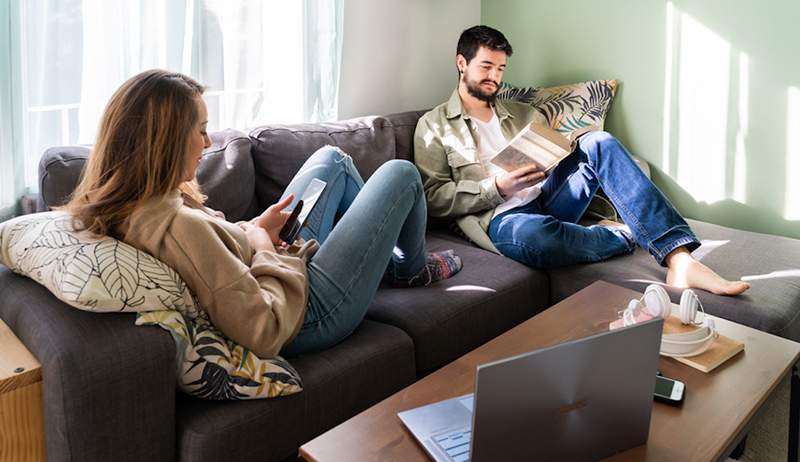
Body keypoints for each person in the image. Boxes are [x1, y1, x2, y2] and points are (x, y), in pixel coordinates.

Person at [65, 69, 462, 358]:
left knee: (333, 160)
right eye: (200, 130)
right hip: (304, 313)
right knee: (401, 174)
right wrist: (264, 247)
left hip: (276, 266)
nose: (207, 142)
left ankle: (380, 262)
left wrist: (253, 228)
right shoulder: (176, 226)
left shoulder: (141, 199)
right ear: (163, 141)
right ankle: (409, 269)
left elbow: (216, 254)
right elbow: (264, 330)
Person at [413, 25, 749, 296]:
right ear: (461, 63)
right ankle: (625, 236)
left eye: (500, 68)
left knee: (598, 141)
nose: (495, 77)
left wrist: (553, 159)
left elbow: (556, 153)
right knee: (535, 239)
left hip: (549, 196)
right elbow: (433, 199)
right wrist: (497, 187)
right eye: (486, 66)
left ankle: (680, 258)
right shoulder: (433, 126)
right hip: (502, 217)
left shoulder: (522, 112)